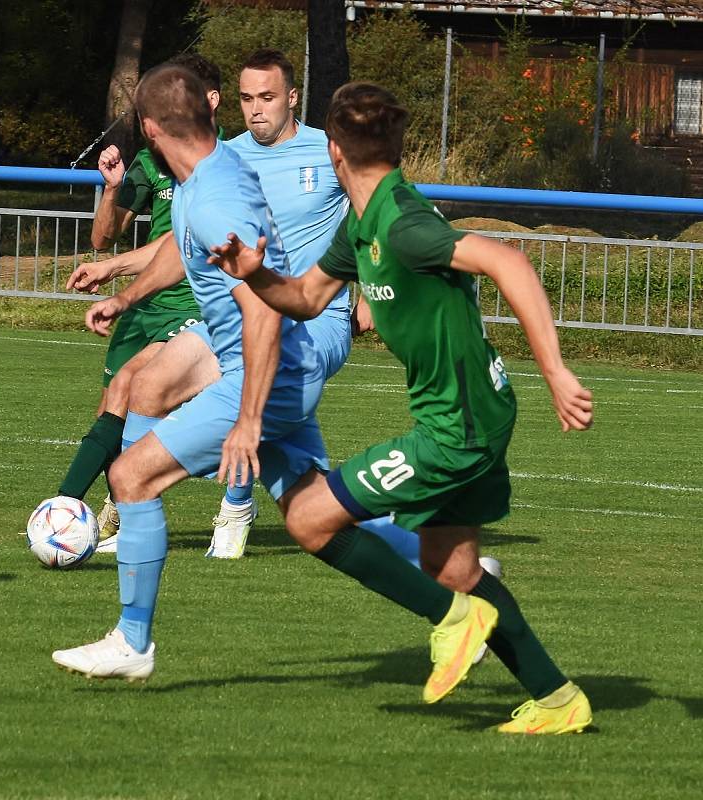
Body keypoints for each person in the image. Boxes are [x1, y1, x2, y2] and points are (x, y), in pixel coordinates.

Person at [52, 66, 505, 717]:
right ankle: (468, 587)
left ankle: (132, 640)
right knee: (312, 508)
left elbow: (261, 312)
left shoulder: (213, 195)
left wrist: (247, 419)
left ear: (150, 129)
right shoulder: (214, 175)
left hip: (264, 372)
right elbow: (193, 249)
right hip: (275, 369)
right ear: (210, 113)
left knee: (131, 476)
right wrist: (126, 296)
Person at [207, 82, 595, 734]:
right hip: (474, 413)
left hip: (456, 428)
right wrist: (253, 271)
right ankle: (557, 700)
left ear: (332, 149)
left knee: (306, 518)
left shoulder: (404, 225)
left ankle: (453, 619)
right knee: (453, 567)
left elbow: (508, 261)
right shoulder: (362, 221)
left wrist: (555, 369)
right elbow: (304, 297)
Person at [69, 49, 355, 558]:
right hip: (250, 331)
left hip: (307, 326)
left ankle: (219, 511)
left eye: (267, 97)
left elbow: (374, 211)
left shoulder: (322, 152)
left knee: (150, 464)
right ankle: (443, 562)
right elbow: (189, 244)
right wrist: (125, 292)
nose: (256, 109)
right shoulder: (224, 161)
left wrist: (371, 280)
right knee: (147, 385)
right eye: (247, 99)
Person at [54, 53, 222, 542]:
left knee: (131, 389)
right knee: (111, 404)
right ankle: (110, 505)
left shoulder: (222, 162)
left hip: (192, 304)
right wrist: (111, 189)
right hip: (144, 301)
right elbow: (103, 239)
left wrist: (112, 271)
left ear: (209, 100)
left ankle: (64, 509)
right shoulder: (151, 161)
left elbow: (181, 247)